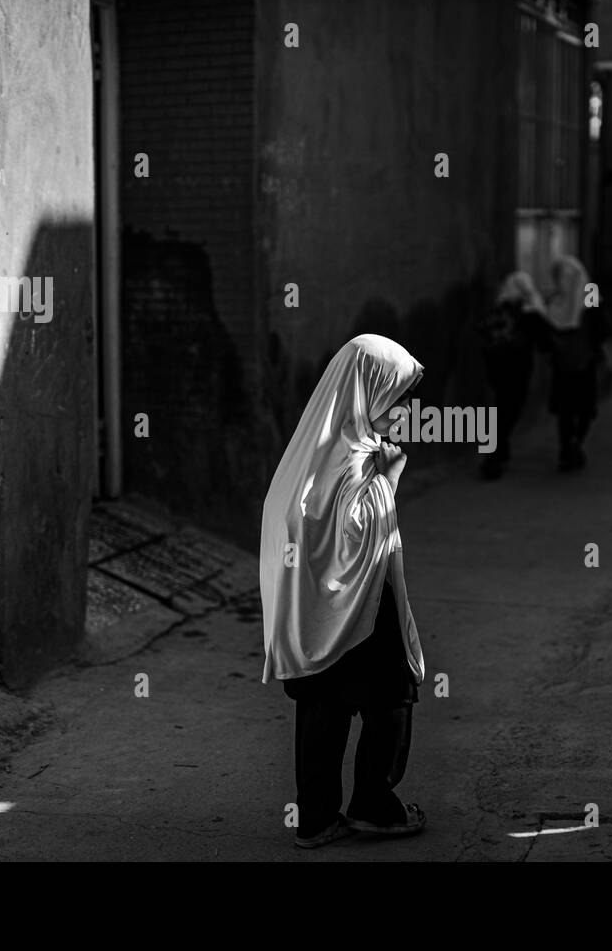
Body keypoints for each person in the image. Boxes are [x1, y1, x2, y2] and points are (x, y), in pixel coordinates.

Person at [260, 334, 428, 849]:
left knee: (321, 700)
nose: (400, 409)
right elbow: (359, 537)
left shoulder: (309, 449)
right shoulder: (355, 458)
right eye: (394, 394)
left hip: (313, 610)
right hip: (363, 602)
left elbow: (295, 524)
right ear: (366, 391)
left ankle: (315, 818)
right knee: (394, 693)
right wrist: (388, 482)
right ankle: (373, 805)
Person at [476, 272, 548, 479]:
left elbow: (482, 334)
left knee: (501, 408)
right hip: (519, 369)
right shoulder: (528, 313)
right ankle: (494, 457)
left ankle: (497, 454)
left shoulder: (498, 310)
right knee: (510, 411)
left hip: (496, 370)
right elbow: (543, 342)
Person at [541, 255, 606, 472]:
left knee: (568, 410)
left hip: (566, 363)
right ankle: (573, 445)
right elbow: (602, 326)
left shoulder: (559, 299)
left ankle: (568, 447)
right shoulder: (588, 294)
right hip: (581, 362)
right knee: (579, 409)